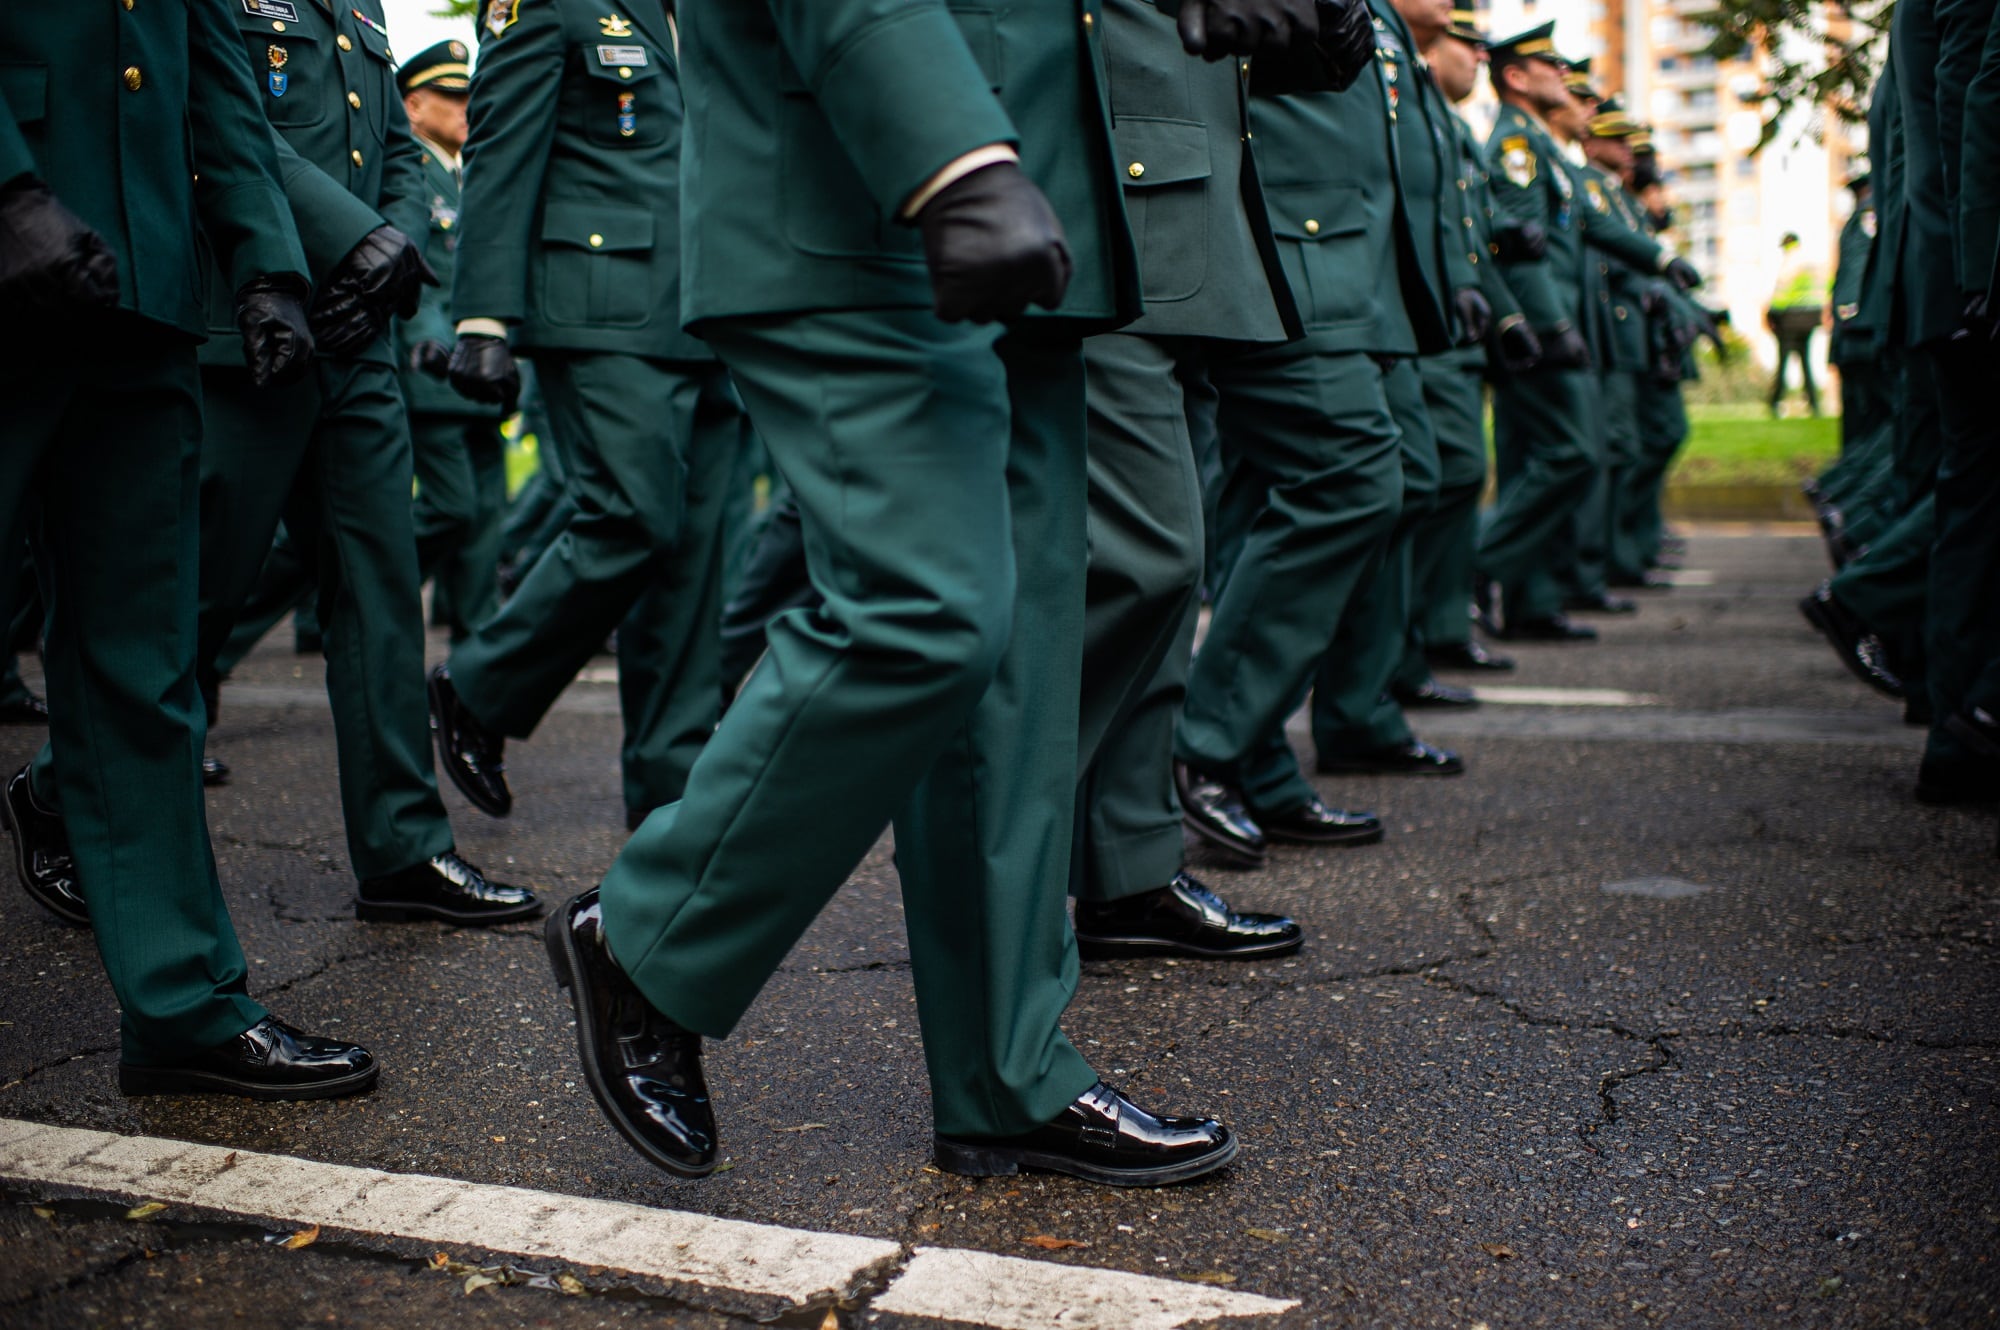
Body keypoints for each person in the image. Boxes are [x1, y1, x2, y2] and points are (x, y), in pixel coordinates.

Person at [544, 0, 1323, 1188]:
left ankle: (1007, 1079)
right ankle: (646, 935)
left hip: (1034, 209)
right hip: (866, 185)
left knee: (1011, 683)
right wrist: (952, 156)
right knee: (925, 611)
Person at [0, 0, 376, 1099]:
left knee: (142, 667)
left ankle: (181, 1003)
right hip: (14, 238)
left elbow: (211, 70)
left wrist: (266, 260)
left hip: (140, 285)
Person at [190, 0, 537, 925]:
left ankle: (401, 848)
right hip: (253, 321)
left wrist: (393, 246)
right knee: (203, 587)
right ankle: (73, 788)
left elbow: (393, 147)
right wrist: (354, 235)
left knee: (382, 592)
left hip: (357, 334)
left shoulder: (358, 6)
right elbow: (222, 116)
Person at [1069, 0, 1378, 955]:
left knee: (1163, 574)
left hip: (1194, 227)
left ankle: (1129, 870)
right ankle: (1000, 865)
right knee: (1138, 563)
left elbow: (1226, 53)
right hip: (1106, 210)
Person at [426, 0, 752, 831]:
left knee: (689, 567)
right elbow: (500, 149)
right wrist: (483, 319)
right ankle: (478, 687)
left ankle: (669, 807)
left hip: (712, 315)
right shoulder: (559, 8)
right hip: (598, 308)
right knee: (631, 518)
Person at [1406, 9, 1536, 677]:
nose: (1479, 59)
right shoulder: (1400, 89)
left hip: (1454, 322)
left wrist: (1508, 316)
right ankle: (1410, 643)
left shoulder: (1448, 118)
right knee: (1429, 479)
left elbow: (1467, 234)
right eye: (1470, 45)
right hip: (1413, 317)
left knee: (1453, 476)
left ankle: (1437, 629)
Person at [397, 40, 513, 641]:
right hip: (435, 369)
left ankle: (477, 654)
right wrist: (429, 345)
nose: (468, 108)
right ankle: (364, 588)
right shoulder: (410, 172)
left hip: (477, 373)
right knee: (452, 506)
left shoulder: (465, 178)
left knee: (486, 518)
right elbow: (413, 269)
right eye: (452, 97)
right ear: (413, 106)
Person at [1765, 232, 1824, 417]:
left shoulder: (1790, 262)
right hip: (1810, 318)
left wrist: (1771, 315)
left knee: (1783, 362)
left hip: (1789, 320)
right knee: (1805, 362)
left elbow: (1781, 295)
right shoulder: (1810, 263)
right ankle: (1813, 404)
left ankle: (1775, 402)